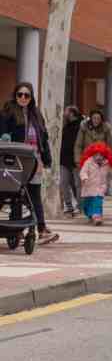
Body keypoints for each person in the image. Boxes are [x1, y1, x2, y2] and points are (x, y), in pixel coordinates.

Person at [0, 82, 57, 243]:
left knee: (35, 196)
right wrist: (4, 136)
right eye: (20, 94)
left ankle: (42, 229)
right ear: (15, 95)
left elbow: (43, 139)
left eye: (27, 95)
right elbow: (2, 130)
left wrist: (47, 159)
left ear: (31, 97)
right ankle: (16, 230)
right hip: (13, 160)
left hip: (34, 161)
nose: (23, 98)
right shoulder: (7, 112)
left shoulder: (37, 115)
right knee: (15, 195)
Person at [78, 141, 112, 225]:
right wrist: (84, 178)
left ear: (104, 155)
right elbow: (83, 172)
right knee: (87, 205)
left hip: (100, 188)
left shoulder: (106, 164)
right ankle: (91, 215)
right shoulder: (88, 162)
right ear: (92, 154)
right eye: (96, 155)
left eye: (101, 155)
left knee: (97, 202)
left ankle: (97, 217)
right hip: (88, 187)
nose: (99, 157)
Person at [59, 106, 82, 217]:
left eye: (66, 111)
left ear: (72, 113)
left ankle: (80, 206)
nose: (64, 113)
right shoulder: (66, 126)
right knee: (63, 183)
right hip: (64, 160)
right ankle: (69, 206)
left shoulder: (81, 126)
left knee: (78, 184)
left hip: (76, 160)